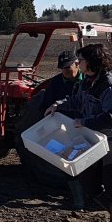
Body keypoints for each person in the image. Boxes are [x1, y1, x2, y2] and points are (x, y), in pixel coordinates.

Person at [45, 44, 112, 222]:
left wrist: (85, 122)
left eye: (81, 60)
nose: (78, 63)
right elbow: (77, 101)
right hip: (92, 141)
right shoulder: (87, 83)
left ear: (91, 62)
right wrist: (58, 105)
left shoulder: (110, 86)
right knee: (89, 183)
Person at [39, 50, 85, 210]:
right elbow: (45, 106)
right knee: (69, 161)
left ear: (77, 64)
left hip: (87, 126)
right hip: (65, 129)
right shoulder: (56, 83)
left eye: (68, 67)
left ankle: (93, 195)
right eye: (62, 68)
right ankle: (78, 200)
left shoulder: (87, 80)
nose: (65, 71)